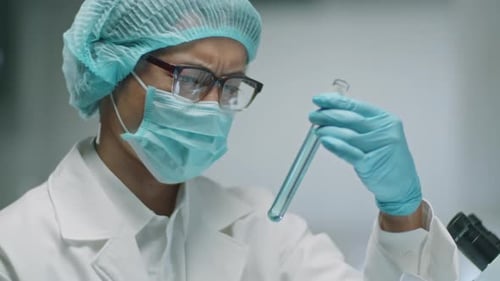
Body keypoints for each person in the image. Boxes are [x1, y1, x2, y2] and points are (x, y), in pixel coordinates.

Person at [0, 0, 459, 280]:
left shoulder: (263, 229)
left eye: (231, 84)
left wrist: (402, 213)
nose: (212, 104)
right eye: (193, 78)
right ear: (114, 71)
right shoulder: (17, 248)